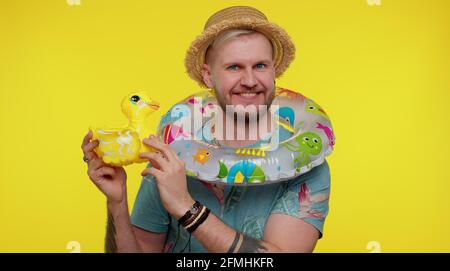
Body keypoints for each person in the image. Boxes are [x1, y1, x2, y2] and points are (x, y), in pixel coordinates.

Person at [81, 6, 331, 253]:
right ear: (208, 76)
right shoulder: (171, 155)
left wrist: (185, 206)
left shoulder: (304, 162)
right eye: (234, 67)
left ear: (274, 70)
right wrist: (117, 203)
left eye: (260, 66)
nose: (250, 81)